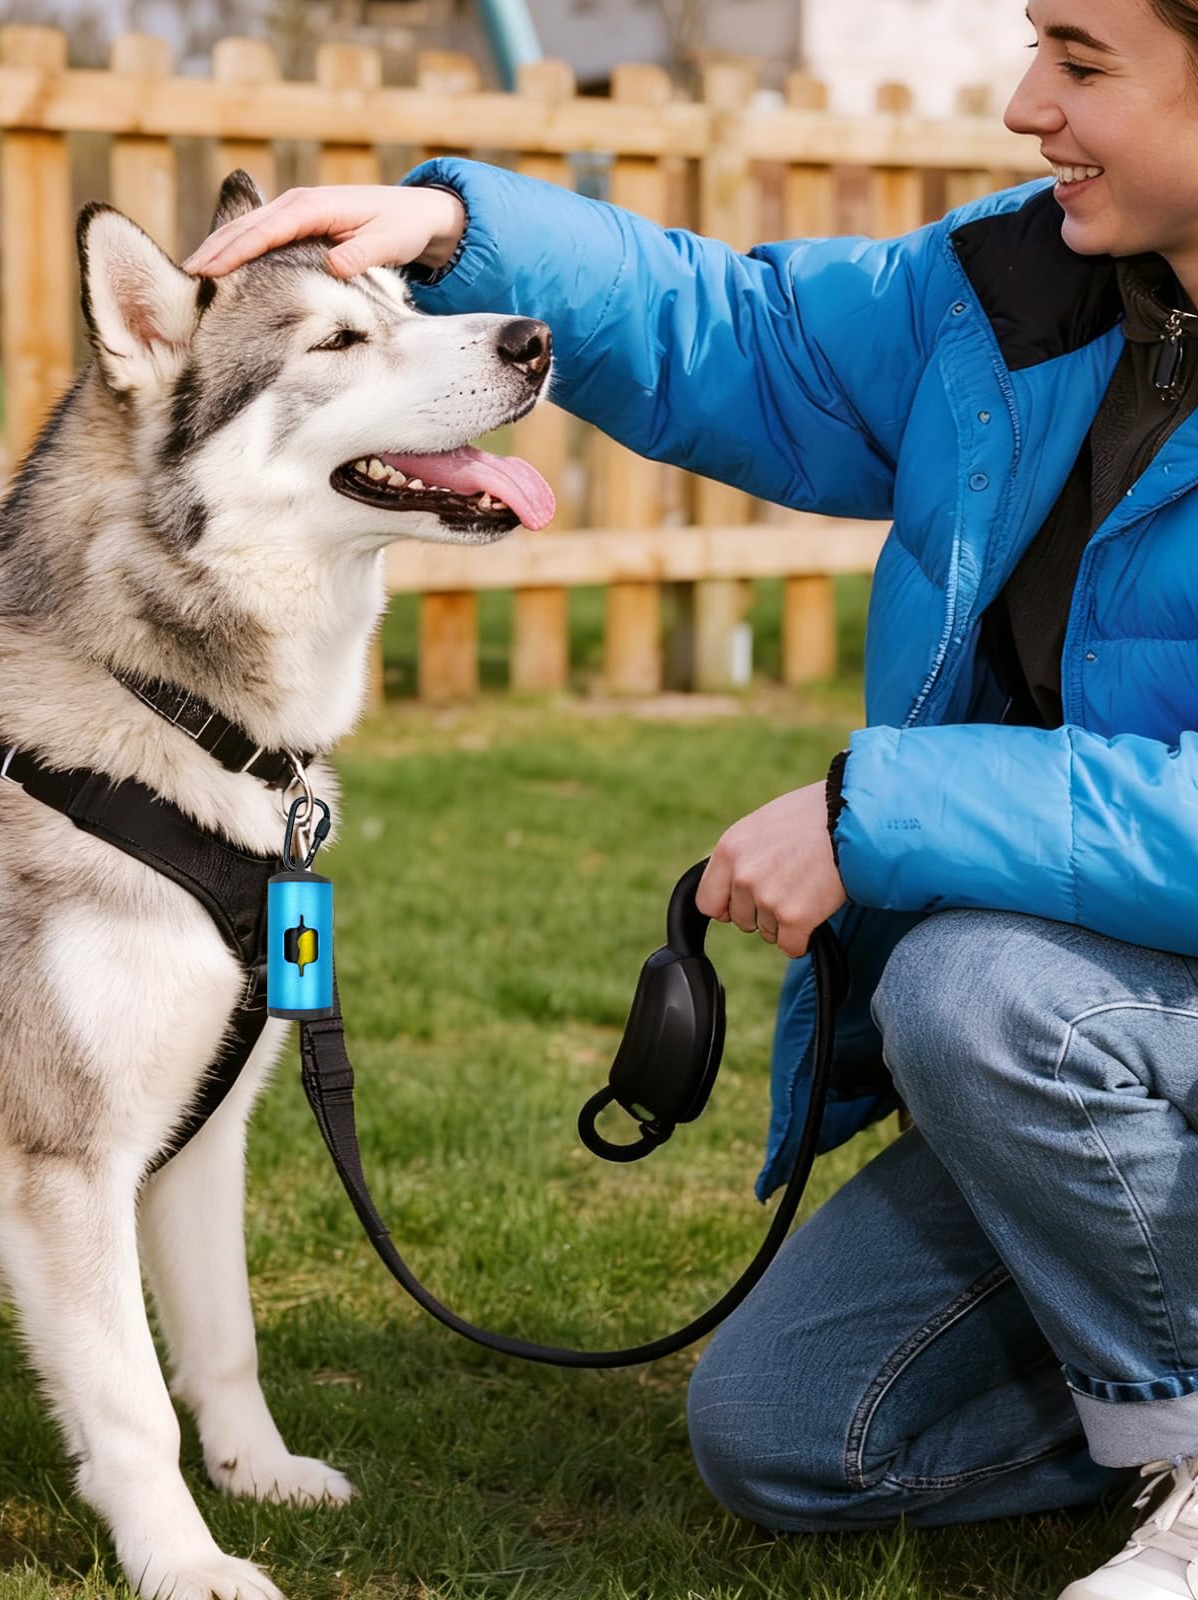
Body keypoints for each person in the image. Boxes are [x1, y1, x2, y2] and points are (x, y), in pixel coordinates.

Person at [184, 1, 1198, 1595]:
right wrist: (459, 231)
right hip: (1131, 1035)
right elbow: (757, 337)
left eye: (1081, 64)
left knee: (979, 991)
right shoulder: (1035, 291)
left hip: (1082, 1011)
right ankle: (1161, 1413)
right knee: (800, 1433)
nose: (1023, 104)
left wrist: (883, 811)